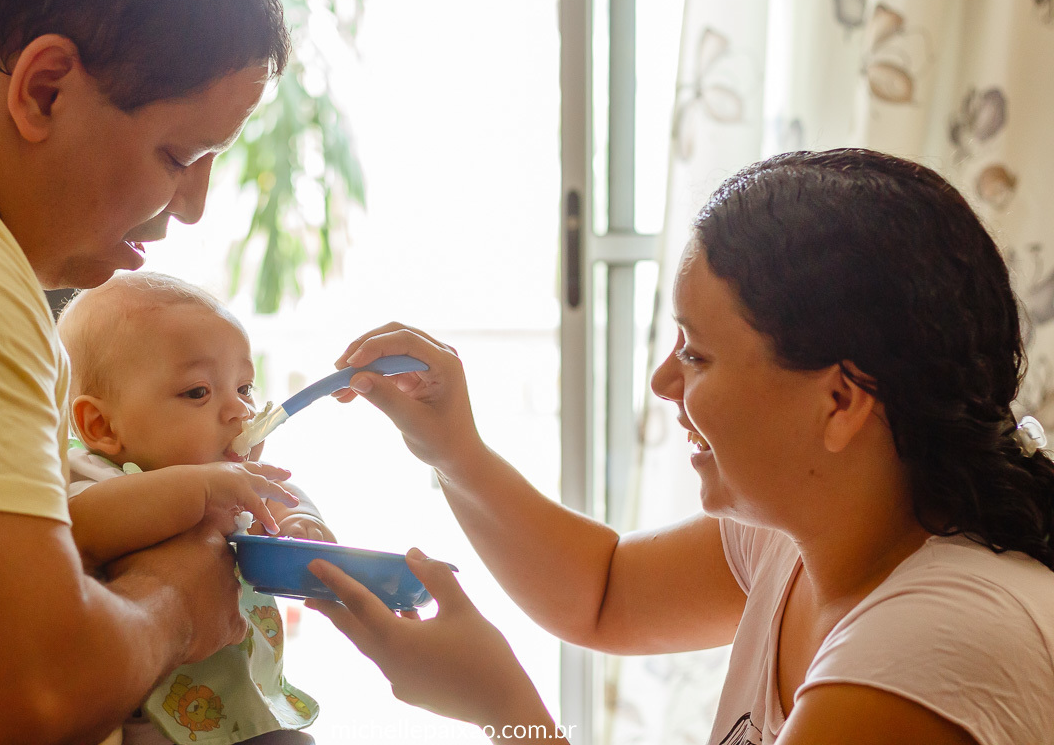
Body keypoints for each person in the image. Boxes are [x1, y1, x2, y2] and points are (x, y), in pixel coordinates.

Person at [306, 149, 1054, 745]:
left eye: (696, 354)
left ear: (841, 401)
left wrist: (501, 707)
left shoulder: (935, 649)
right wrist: (452, 448)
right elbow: (602, 592)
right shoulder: (807, 537)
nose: (664, 380)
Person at [0, 0, 292, 742]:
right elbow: (27, 694)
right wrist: (176, 601)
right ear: (44, 87)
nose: (189, 208)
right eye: (179, 157)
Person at [58, 272, 333, 745]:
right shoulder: (89, 476)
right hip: (144, 722)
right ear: (101, 425)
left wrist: (300, 523)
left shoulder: (228, 478)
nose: (239, 412)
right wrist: (200, 491)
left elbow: (279, 497)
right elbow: (80, 525)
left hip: (244, 711)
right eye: (197, 392)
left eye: (244, 388)